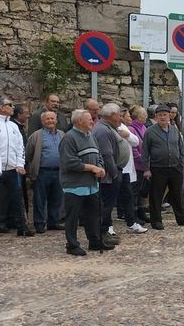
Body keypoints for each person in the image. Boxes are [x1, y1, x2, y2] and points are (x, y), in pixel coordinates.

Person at [60, 109, 110, 255]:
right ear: (79, 121)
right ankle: (72, 245)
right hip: (74, 186)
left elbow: (98, 155)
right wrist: (91, 167)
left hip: (91, 185)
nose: (92, 121)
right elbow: (69, 162)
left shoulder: (90, 135)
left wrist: (100, 167)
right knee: (73, 217)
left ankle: (95, 241)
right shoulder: (69, 138)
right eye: (89, 119)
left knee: (93, 214)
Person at [142, 105, 184, 230]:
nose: (162, 117)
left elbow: (181, 148)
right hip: (158, 168)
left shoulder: (174, 130)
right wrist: (146, 169)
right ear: (156, 117)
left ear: (169, 116)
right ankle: (156, 221)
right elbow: (145, 152)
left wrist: (181, 163)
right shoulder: (150, 131)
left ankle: (182, 218)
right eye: (160, 115)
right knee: (156, 195)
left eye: (165, 115)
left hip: (175, 167)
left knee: (177, 194)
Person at [0, 97, 31, 236]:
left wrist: (20, 163)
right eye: (10, 105)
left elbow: (20, 147)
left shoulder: (13, 126)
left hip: (13, 168)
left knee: (17, 198)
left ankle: (21, 226)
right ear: (2, 107)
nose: (13, 107)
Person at [25, 111, 65, 234]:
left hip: (58, 172)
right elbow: (28, 154)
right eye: (47, 119)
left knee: (57, 198)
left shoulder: (62, 135)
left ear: (56, 120)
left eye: (52, 118)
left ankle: (53, 222)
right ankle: (39, 223)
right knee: (40, 199)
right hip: (42, 172)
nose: (50, 121)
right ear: (42, 121)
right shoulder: (36, 136)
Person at [92, 103, 126, 246]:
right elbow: (107, 155)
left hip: (111, 173)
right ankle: (100, 234)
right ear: (112, 115)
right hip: (108, 176)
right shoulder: (103, 130)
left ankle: (104, 232)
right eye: (119, 115)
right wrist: (114, 174)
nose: (121, 118)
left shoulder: (106, 128)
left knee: (107, 205)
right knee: (105, 206)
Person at [117, 108, 147, 234]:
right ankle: (126, 217)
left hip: (128, 167)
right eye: (128, 116)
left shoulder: (126, 128)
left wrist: (128, 135)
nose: (130, 118)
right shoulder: (116, 128)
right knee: (126, 194)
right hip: (121, 167)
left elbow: (136, 141)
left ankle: (132, 220)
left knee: (131, 194)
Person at [128, 106, 150, 223]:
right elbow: (133, 149)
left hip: (144, 164)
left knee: (143, 190)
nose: (146, 117)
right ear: (138, 116)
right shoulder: (131, 129)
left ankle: (142, 212)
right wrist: (141, 159)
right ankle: (134, 214)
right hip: (137, 165)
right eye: (143, 115)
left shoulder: (144, 128)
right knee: (135, 191)